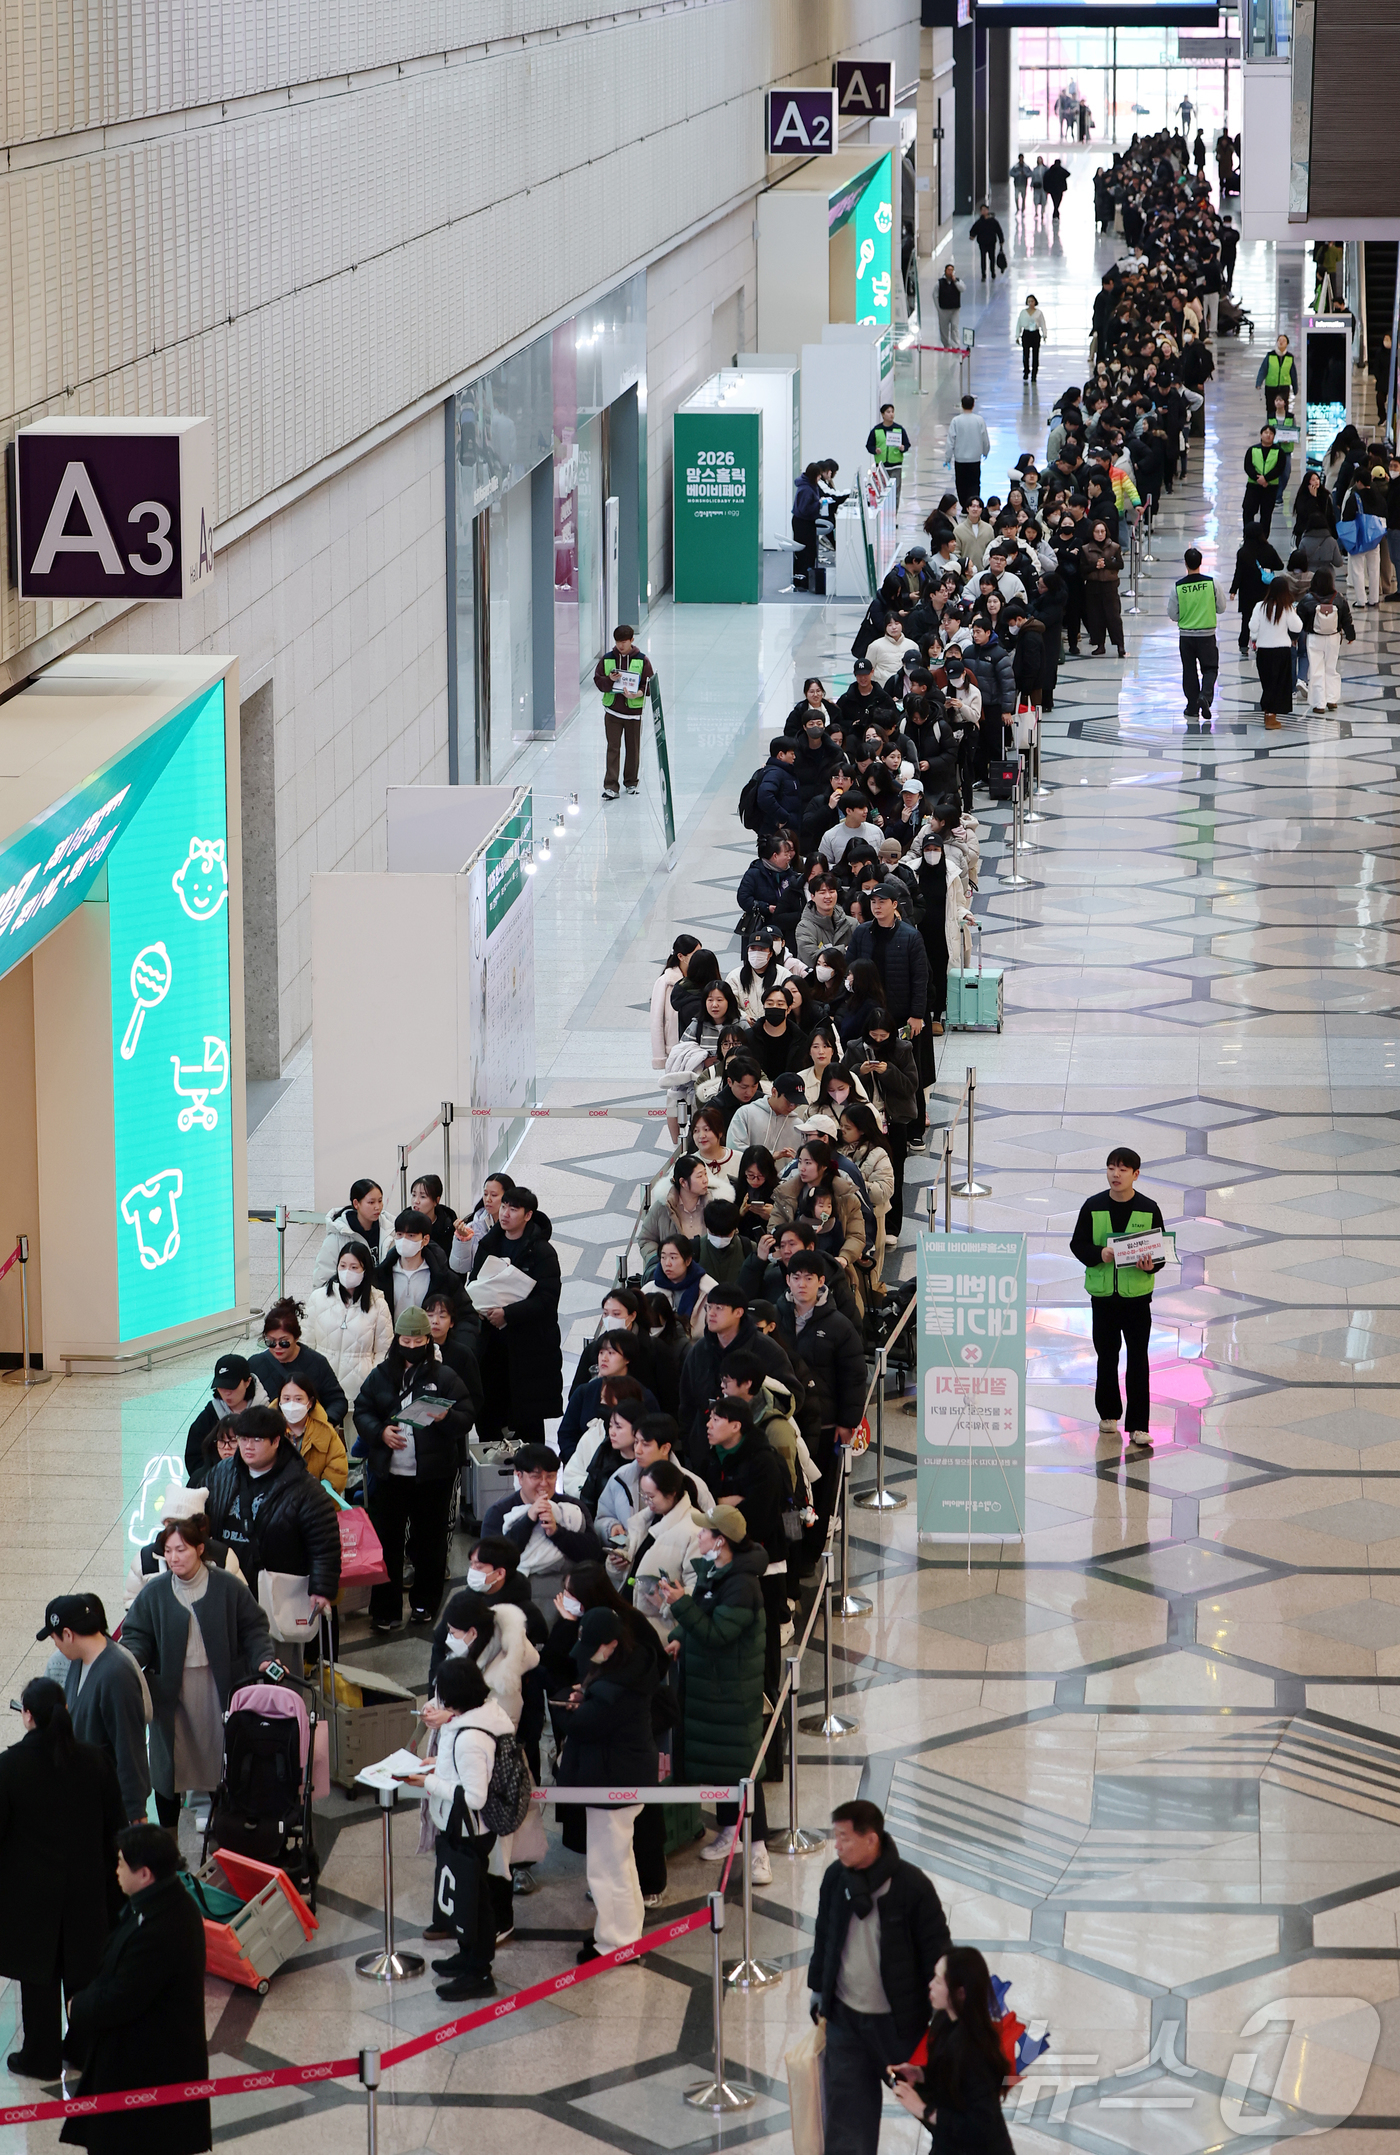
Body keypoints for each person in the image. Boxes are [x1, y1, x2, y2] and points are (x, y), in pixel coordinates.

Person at [808, 1798, 952, 2155]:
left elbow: (938, 1956)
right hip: (845, 2022)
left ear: (870, 1839)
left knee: (942, 2110)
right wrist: (818, 1990)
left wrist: (944, 2018)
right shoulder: (835, 1879)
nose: (837, 1846)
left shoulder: (912, 1888)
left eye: (844, 1837)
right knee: (847, 2126)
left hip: (900, 2025)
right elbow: (825, 1935)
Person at [60, 1822, 211, 2155]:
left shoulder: (161, 1927)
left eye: (121, 1864)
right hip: (146, 2057)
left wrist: (78, 2007)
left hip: (148, 2070)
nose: (116, 1871)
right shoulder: (163, 1903)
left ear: (144, 1874)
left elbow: (123, 1996)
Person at [0, 1677, 124, 2081]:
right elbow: (116, 1828)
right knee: (86, 1974)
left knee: (39, 1977)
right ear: (66, 1710)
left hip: (31, 1896)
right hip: (89, 1889)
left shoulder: (9, 1767)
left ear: (27, 1716)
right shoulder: (95, 1761)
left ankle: (40, 2057)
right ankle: (85, 2049)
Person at [121, 1512, 277, 1829]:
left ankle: (221, 1824)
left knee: (219, 1754)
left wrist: (263, 1657)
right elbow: (137, 1635)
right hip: (172, 1693)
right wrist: (129, 1661)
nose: (174, 1558)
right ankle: (169, 1835)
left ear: (200, 1549)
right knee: (168, 1766)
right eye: (168, 1551)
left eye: (181, 1549)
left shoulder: (227, 1586)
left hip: (217, 1688)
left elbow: (254, 1627)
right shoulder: (154, 1592)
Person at [660, 1504, 771, 1882]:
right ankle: (730, 1833)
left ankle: (758, 1849)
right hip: (712, 1687)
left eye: (705, 1531)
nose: (699, 1535)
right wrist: (680, 1635)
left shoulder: (742, 1586)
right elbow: (703, 1613)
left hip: (732, 1692)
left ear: (721, 1541)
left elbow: (719, 1634)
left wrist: (679, 1605)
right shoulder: (717, 1572)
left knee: (742, 1768)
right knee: (724, 1766)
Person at [396, 1657, 516, 2000]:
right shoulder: (481, 1716)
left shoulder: (470, 1737)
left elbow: (474, 1796)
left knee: (474, 1903)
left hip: (469, 1829)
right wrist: (439, 1764)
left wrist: (429, 1782)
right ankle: (467, 1956)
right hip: (467, 1827)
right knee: (469, 1898)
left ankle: (479, 1973)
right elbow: (469, 1766)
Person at [353, 1306, 474, 1631]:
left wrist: (446, 1417)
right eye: (405, 1341)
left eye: (418, 1341)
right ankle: (385, 1610)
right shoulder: (381, 1375)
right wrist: (381, 1433)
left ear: (427, 1341)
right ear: (397, 1340)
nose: (411, 1346)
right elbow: (362, 1410)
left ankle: (425, 1604)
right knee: (387, 1544)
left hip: (433, 1476)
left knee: (430, 1544)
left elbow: (466, 1415)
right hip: (389, 1475)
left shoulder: (444, 1376)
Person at [554, 1606, 660, 1958]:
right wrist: (585, 1699)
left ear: (613, 1643)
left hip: (613, 1781)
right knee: (620, 1862)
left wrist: (564, 1707)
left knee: (608, 1867)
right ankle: (621, 1934)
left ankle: (618, 1945)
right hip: (621, 1776)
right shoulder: (630, 1668)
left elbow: (584, 1726)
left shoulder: (617, 1688)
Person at [203, 1406, 342, 1633]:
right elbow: (199, 1515)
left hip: (277, 1590)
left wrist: (322, 1589)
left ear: (276, 1441)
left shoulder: (304, 1487)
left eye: (257, 1440)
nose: (248, 1446)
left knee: (275, 1651)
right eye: (243, 1438)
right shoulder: (221, 1473)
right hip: (228, 1584)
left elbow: (324, 1544)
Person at [1069, 1147, 1168, 1457]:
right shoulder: (1093, 1206)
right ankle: (1108, 1413)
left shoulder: (1149, 1209)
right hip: (1103, 1297)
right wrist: (1099, 1253)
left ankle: (1139, 1425)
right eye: (1111, 1168)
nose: (1116, 1174)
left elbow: (1160, 1253)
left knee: (1138, 1359)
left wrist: (1151, 1266)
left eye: (1123, 1169)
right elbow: (1077, 1244)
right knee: (1107, 1355)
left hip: (1136, 1298)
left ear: (1135, 1174)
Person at [892, 1945, 1017, 2153]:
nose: (930, 1985)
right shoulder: (946, 2022)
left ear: (960, 1993)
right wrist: (919, 2074)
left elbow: (980, 2126)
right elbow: (954, 2079)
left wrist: (924, 2110)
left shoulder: (975, 2051)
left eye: (939, 1981)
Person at [465, 1185, 563, 1445]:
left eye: (513, 1209)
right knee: (489, 1418)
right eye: (504, 1206)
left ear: (528, 1215)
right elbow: (475, 1283)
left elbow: (547, 1299)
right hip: (491, 1345)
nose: (505, 1213)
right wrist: (481, 1308)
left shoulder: (541, 1251)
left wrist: (508, 1314)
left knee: (527, 1422)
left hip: (528, 1348)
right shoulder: (489, 1244)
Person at [39, 1595, 151, 1822]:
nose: (56, 1646)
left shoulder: (116, 1673)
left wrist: (135, 1811)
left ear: (68, 1634)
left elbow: (129, 1746)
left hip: (110, 1803)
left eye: (54, 1639)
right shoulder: (78, 1661)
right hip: (86, 1796)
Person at [302, 1240, 393, 1408]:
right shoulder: (318, 1298)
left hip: (360, 1391)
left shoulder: (378, 1304)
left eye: (354, 1267)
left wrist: (371, 1383)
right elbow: (306, 1343)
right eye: (342, 1266)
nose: (347, 1272)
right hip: (321, 1388)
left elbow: (384, 1351)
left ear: (365, 1270)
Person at [248, 1297, 349, 1429]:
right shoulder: (255, 1364)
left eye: (284, 1342)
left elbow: (337, 1400)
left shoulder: (317, 1362)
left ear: (296, 1337)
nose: (277, 1347)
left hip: (310, 1433)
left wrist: (325, 1424)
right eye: (271, 1342)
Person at [183, 1352, 267, 1480]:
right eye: (221, 1386)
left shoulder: (267, 1414)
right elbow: (194, 1458)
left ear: (247, 1382)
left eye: (232, 1386)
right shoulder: (209, 1417)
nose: (227, 1392)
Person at [593, 623, 654, 800]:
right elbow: (598, 682)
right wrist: (609, 679)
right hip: (613, 712)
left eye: (624, 642)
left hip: (633, 714)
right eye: (618, 642)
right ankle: (611, 786)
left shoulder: (642, 660)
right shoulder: (607, 659)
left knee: (633, 749)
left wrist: (637, 694)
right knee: (613, 748)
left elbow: (649, 685)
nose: (621, 645)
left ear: (632, 640)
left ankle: (631, 782)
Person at [1168, 545, 1225, 723]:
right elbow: (1221, 608)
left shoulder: (1178, 587)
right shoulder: (1212, 583)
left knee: (1189, 670)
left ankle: (1192, 707)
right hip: (1207, 635)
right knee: (1210, 668)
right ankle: (1205, 696)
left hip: (1186, 636)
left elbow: (1172, 614)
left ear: (1185, 564)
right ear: (1201, 562)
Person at [374, 1206, 457, 1318]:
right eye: (399, 1234)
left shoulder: (442, 1277)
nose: (403, 1240)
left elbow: (465, 1314)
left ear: (425, 1240)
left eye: (411, 1235)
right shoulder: (381, 1275)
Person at [272, 1373, 350, 1491]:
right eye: (286, 1399)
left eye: (298, 1399)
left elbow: (337, 1467)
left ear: (310, 1402)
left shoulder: (326, 1432)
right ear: (279, 1401)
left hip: (316, 1499)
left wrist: (319, 1493)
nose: (292, 1404)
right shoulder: (266, 1431)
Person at [1299, 567, 1355, 713]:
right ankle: (1332, 699)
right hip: (1333, 637)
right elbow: (1346, 619)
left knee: (1316, 669)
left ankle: (1319, 704)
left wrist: (1295, 637)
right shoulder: (1339, 598)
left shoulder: (1307, 599)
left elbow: (1299, 620)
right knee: (1331, 668)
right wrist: (1350, 635)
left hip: (1314, 638)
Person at [1249, 578, 1303, 730]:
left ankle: (1268, 712)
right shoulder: (1287, 608)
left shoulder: (1259, 606)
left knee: (1268, 684)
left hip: (1263, 652)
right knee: (1279, 685)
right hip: (1281, 652)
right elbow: (1297, 627)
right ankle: (1271, 716)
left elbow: (1252, 626)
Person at [311, 1177, 385, 1285]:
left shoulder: (389, 1230)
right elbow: (322, 1278)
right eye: (371, 1202)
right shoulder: (337, 1237)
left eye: (380, 1201)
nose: (377, 1207)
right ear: (356, 1204)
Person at [1080, 520, 1125, 659]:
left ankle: (1120, 645)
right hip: (1093, 587)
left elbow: (1120, 564)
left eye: (1102, 531)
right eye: (1097, 532)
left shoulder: (1114, 547)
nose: (1100, 534)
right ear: (1092, 533)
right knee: (1096, 617)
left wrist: (1106, 564)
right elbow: (1082, 570)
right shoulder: (1085, 549)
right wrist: (1095, 566)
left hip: (1110, 586)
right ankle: (1100, 644)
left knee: (1114, 617)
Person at [945, 395, 991, 508]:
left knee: (961, 484)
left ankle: (964, 506)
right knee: (974, 483)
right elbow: (985, 438)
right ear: (973, 405)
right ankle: (973, 505)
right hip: (975, 459)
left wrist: (948, 457)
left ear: (962, 405)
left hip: (960, 459)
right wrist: (985, 451)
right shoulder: (979, 420)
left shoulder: (956, 421)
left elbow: (950, 440)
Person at [866, 404, 912, 509]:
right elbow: (869, 445)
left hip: (896, 466)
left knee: (895, 493)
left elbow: (907, 444)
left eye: (892, 411)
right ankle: (882, 513)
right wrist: (875, 450)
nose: (891, 414)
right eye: (888, 412)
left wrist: (903, 448)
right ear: (883, 414)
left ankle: (893, 515)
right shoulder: (876, 430)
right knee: (881, 492)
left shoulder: (899, 429)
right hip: (881, 467)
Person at [1243, 425, 1283, 540]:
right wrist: (1258, 479)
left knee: (1266, 514)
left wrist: (1266, 479)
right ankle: (1248, 536)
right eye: (1266, 433)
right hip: (1253, 486)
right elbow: (1248, 466)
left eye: (1271, 433)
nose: (1268, 435)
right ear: (1261, 435)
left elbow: (1279, 468)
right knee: (1248, 511)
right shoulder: (1253, 450)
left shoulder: (1278, 451)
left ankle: (1263, 538)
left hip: (1270, 487)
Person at [409, 1172, 458, 1254]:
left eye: (423, 1196)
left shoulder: (447, 1226)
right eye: (413, 1195)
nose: (416, 1201)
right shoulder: (405, 1224)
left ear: (436, 1201)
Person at [1258, 332, 1298, 419]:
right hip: (1271, 387)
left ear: (1287, 344)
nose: (1281, 342)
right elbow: (1263, 369)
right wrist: (1259, 383)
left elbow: (1293, 374)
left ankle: (1283, 425)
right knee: (1271, 408)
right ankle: (1270, 424)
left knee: (1283, 407)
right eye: (1279, 340)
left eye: (1283, 340)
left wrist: (1295, 388)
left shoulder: (1289, 357)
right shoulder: (1270, 355)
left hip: (1284, 387)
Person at [1014, 295, 1048, 382]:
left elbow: (1043, 323)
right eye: (1029, 301)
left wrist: (1044, 334)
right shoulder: (1023, 313)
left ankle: (1034, 374)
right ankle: (1026, 370)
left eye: (1032, 301)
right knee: (1026, 355)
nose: (1030, 303)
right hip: (1026, 334)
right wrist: (1017, 335)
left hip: (1035, 334)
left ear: (1035, 302)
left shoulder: (1039, 313)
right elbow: (1019, 324)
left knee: (1035, 356)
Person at [968, 203, 1004, 282]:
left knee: (992, 258)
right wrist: (972, 235)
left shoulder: (993, 221)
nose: (984, 211)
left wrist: (1001, 240)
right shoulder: (979, 222)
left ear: (987, 210)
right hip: (982, 243)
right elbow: (973, 229)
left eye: (985, 210)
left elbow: (999, 231)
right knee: (983, 259)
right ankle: (983, 274)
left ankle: (992, 272)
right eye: (982, 210)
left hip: (991, 243)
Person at [935, 265, 963, 350]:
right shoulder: (939, 283)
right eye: (948, 270)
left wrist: (955, 281)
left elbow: (962, 289)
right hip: (944, 310)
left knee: (954, 326)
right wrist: (938, 308)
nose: (950, 272)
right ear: (945, 271)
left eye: (951, 270)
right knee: (944, 329)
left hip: (955, 309)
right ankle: (946, 345)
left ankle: (956, 345)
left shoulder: (958, 281)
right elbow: (935, 295)